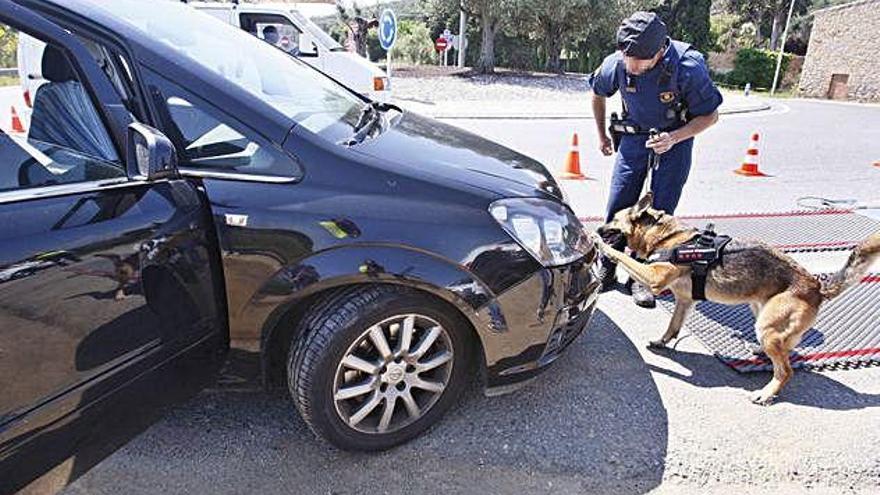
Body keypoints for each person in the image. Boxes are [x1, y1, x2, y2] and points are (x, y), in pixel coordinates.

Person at [588, 11, 723, 308]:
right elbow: (597, 94)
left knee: (660, 209)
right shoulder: (617, 64)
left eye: (641, 61)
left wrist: (675, 137)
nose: (632, 67)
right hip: (634, 137)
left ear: (661, 51)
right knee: (619, 203)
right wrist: (601, 136)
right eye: (627, 58)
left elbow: (710, 115)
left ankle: (642, 277)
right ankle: (608, 266)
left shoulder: (687, 66)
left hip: (675, 138)